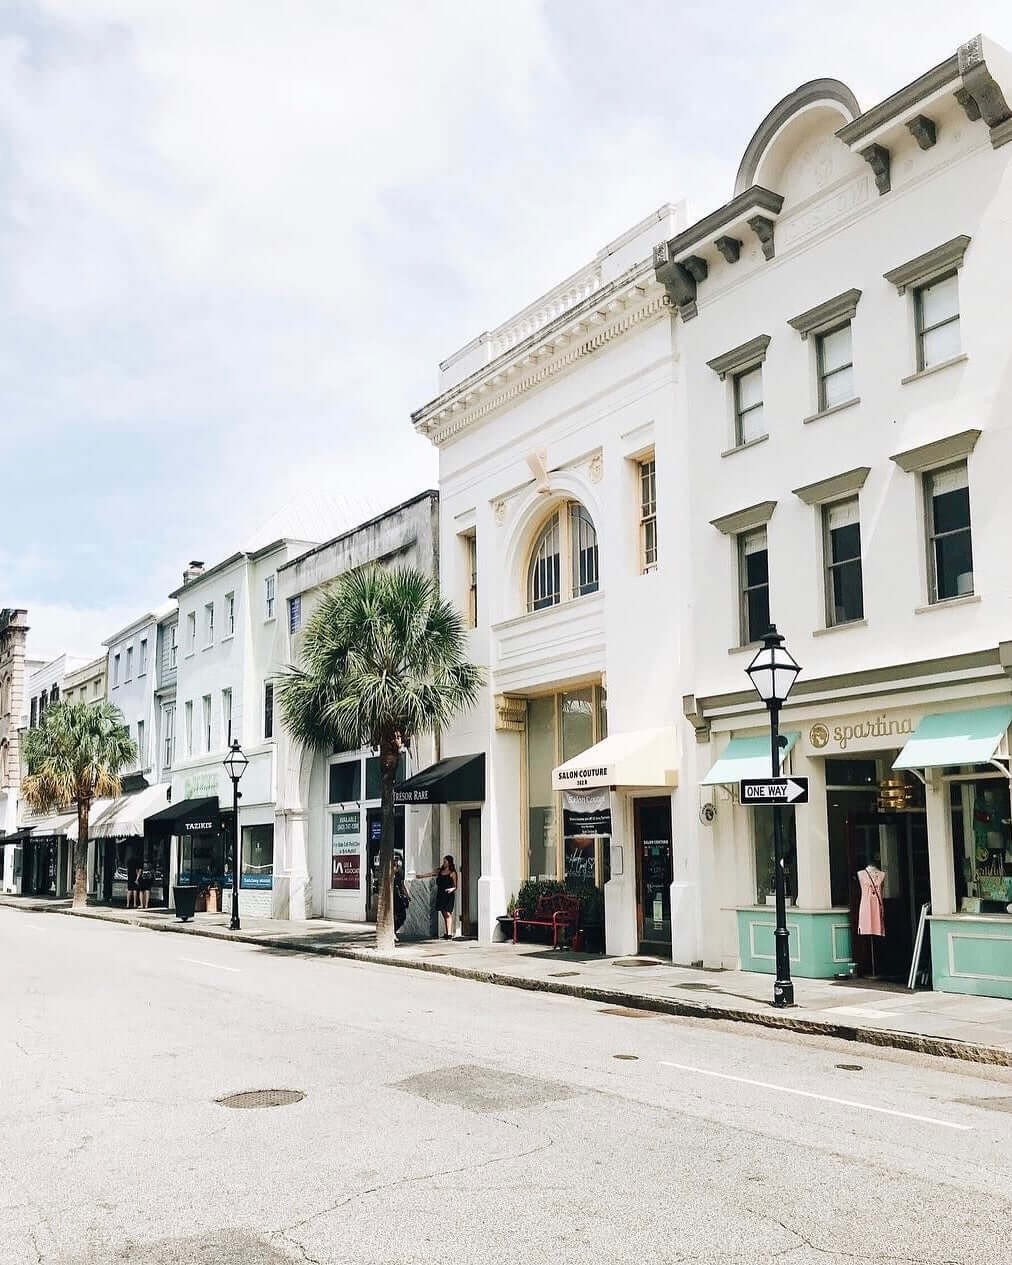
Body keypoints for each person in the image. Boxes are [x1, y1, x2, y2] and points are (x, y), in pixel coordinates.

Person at [418, 855, 457, 940]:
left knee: (448, 913)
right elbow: (431, 874)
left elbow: (455, 886)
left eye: (445, 861)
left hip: (448, 895)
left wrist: (451, 889)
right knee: (443, 913)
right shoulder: (440, 871)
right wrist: (421, 876)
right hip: (441, 894)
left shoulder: (452, 873)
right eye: (443, 861)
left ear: (449, 862)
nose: (444, 863)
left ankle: (449, 934)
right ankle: (447, 933)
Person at [393, 857, 410, 944]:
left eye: (396, 862)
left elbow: (402, 885)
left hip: (398, 897)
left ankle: (393, 931)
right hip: (391, 898)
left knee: (402, 916)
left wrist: (407, 896)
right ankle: (392, 933)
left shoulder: (400, 873)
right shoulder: (387, 874)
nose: (396, 865)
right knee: (393, 915)